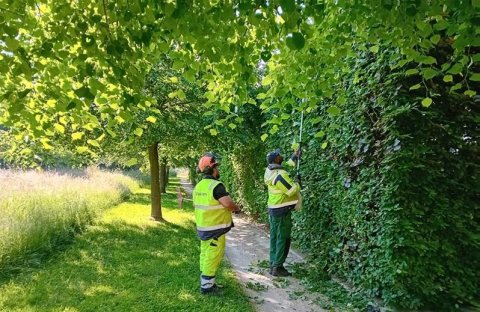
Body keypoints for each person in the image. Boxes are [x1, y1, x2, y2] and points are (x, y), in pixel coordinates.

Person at [193, 153, 240, 295]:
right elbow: (227, 203)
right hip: (215, 230)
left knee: (205, 255)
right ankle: (207, 287)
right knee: (213, 256)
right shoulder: (216, 186)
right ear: (211, 169)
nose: (218, 170)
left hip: (204, 227)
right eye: (216, 167)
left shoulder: (199, 186)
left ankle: (206, 281)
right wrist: (237, 208)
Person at [264, 148, 301, 277]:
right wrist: (297, 182)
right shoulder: (279, 175)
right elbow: (291, 190)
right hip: (282, 210)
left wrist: (294, 157)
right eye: (279, 155)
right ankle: (278, 267)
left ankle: (273, 263)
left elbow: (284, 169)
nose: (281, 156)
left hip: (274, 209)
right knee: (283, 238)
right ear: (275, 159)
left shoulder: (270, 170)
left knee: (274, 237)